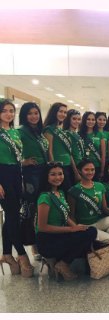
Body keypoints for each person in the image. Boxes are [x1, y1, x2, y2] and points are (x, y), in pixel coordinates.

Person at [36, 161, 97, 281]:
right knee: (86, 236)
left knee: (90, 231)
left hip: (60, 234)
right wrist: (72, 229)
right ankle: (62, 264)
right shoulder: (45, 197)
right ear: (46, 177)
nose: (58, 177)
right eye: (53, 174)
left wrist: (77, 228)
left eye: (60, 174)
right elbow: (42, 227)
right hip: (47, 240)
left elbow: (66, 217)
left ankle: (59, 262)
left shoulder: (61, 192)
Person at [0, 99, 33, 277]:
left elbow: (16, 156)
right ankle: (21, 254)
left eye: (11, 110)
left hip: (15, 174)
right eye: (4, 111)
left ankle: (6, 253)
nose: (9, 114)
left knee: (12, 216)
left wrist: (23, 166)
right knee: (12, 214)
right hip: (2, 174)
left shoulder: (14, 132)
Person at [18, 102, 49, 259]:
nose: (33, 116)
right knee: (32, 211)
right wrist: (24, 162)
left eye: (36, 113)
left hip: (44, 172)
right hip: (31, 175)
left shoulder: (39, 132)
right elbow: (10, 155)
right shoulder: (20, 132)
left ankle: (43, 243)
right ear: (24, 115)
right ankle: (34, 247)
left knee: (43, 208)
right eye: (30, 113)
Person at [67, 159, 109, 244]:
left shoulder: (100, 186)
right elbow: (71, 215)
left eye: (92, 170)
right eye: (86, 170)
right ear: (79, 171)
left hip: (98, 222)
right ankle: (95, 238)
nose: (90, 172)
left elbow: (104, 208)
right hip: (84, 227)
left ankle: (95, 239)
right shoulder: (74, 190)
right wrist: (75, 229)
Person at [43, 102, 74, 191]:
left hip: (68, 166)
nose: (63, 114)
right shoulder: (49, 129)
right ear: (54, 112)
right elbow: (49, 151)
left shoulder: (61, 129)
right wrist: (54, 169)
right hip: (59, 168)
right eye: (60, 111)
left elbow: (68, 151)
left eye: (65, 112)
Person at [79, 111, 106, 181]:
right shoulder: (79, 134)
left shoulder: (100, 134)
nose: (91, 121)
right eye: (88, 119)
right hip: (83, 167)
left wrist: (102, 170)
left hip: (97, 166)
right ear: (84, 120)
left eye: (93, 120)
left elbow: (103, 154)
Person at [63, 109, 85, 182]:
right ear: (68, 119)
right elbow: (69, 154)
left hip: (81, 165)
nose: (77, 121)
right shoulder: (66, 134)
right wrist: (76, 172)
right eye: (74, 119)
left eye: (79, 119)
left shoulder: (76, 134)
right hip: (73, 167)